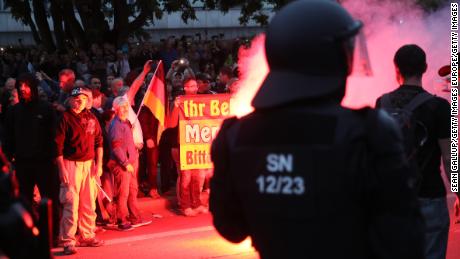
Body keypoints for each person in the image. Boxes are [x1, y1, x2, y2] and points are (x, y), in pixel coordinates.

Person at [210, 1, 424, 259]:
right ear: (333, 58)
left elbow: (231, 228)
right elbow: (404, 241)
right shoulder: (369, 132)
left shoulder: (234, 135)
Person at [376, 44, 454, 259]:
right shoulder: (440, 107)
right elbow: (449, 158)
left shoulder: (382, 103)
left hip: (391, 200)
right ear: (426, 68)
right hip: (430, 196)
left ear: (396, 69)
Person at [3, 73, 60, 245]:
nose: (22, 88)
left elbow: (54, 136)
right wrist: (8, 162)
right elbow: (9, 138)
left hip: (44, 163)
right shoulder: (13, 111)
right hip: (22, 163)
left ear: (33, 87)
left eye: (26, 85)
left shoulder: (46, 108)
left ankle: (52, 235)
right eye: (20, 85)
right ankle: (27, 235)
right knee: (24, 202)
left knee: (49, 200)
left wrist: (54, 158)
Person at [55, 87, 104, 255]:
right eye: (76, 98)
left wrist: (100, 164)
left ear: (87, 100)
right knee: (71, 202)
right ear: (70, 100)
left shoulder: (91, 117)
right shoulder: (65, 118)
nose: (79, 101)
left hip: (89, 164)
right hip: (71, 164)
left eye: (82, 98)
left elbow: (99, 142)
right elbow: (58, 147)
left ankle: (87, 235)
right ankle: (68, 240)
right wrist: (62, 169)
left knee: (89, 202)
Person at [108, 96, 152, 230]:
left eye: (126, 106)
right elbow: (116, 147)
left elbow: (126, 142)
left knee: (133, 190)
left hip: (132, 162)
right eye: (122, 107)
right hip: (123, 165)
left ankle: (135, 217)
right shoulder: (115, 125)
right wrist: (125, 162)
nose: (125, 109)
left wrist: (134, 149)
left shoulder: (126, 122)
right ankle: (122, 220)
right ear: (116, 109)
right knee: (123, 193)